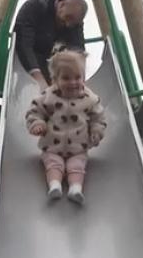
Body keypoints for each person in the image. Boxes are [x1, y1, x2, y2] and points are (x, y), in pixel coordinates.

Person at [25, 49, 107, 204]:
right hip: (52, 147)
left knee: (77, 166)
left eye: (78, 77)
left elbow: (99, 118)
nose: (73, 82)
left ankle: (75, 188)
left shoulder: (90, 99)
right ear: (55, 79)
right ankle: (54, 186)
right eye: (66, 78)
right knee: (53, 164)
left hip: (78, 148)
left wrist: (96, 131)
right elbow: (35, 111)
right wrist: (37, 123)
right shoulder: (48, 96)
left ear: (83, 77)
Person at [14, 0, 88, 86]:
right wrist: (37, 76)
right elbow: (23, 43)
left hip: (48, 60)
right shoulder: (34, 7)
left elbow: (78, 50)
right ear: (61, 5)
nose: (68, 25)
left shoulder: (73, 21)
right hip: (23, 60)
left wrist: (79, 77)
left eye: (73, 23)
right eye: (68, 18)